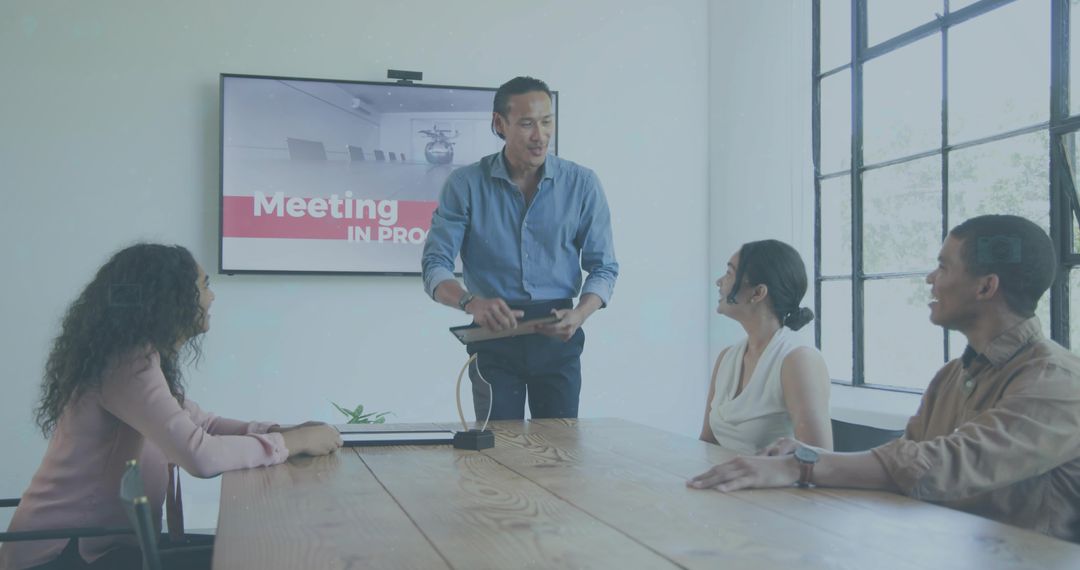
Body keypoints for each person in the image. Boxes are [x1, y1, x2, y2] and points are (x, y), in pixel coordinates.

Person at [687, 215, 1080, 543]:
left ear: (986, 286)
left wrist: (804, 464)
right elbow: (904, 467)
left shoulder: (1058, 381)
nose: (930, 278)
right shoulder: (950, 377)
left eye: (943, 267)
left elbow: (948, 463)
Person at [0, 244, 343, 570]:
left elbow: (202, 424)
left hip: (103, 546)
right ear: (170, 297)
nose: (212, 296)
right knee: (262, 556)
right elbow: (200, 457)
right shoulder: (126, 365)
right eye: (204, 285)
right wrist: (291, 443)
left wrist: (279, 432)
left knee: (257, 552)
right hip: (62, 555)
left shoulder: (137, 358)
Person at [421, 76, 618, 421]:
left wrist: (580, 314)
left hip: (558, 335)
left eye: (547, 122)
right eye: (527, 124)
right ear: (500, 124)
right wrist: (471, 302)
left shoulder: (582, 183)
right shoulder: (465, 185)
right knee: (499, 447)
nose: (540, 136)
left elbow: (604, 267)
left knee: (561, 447)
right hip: (492, 337)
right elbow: (435, 265)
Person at [700, 240, 832, 454]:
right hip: (724, 476)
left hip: (772, 479)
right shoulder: (726, 358)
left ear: (758, 293)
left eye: (729, 273)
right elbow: (706, 444)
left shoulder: (798, 360)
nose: (719, 282)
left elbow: (818, 460)